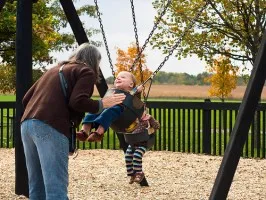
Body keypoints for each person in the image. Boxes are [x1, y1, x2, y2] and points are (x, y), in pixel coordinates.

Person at [20, 43, 126, 200]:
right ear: (94, 61)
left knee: (37, 186)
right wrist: (102, 104)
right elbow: (77, 101)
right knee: (56, 188)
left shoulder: (54, 70)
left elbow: (26, 98)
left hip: (27, 125)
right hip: (50, 126)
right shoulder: (85, 71)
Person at [76, 71, 143, 142]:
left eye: (123, 77)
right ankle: (84, 132)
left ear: (131, 84)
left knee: (109, 111)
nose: (118, 78)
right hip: (108, 108)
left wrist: (138, 91)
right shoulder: (113, 91)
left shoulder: (132, 93)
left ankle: (99, 133)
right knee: (93, 111)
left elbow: (136, 101)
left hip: (123, 112)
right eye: (117, 78)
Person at [125, 111, 160, 184]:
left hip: (143, 143)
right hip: (133, 141)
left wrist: (154, 124)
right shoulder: (133, 118)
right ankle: (132, 174)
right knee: (128, 156)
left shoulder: (148, 118)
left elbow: (157, 126)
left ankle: (139, 174)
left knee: (137, 155)